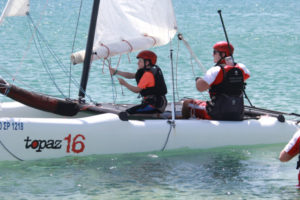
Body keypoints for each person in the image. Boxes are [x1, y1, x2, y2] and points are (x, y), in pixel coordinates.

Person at [182, 41, 250, 120]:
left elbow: (200, 88)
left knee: (187, 103)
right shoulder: (242, 68)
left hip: (216, 113)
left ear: (223, 54)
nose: (212, 55)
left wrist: (198, 79)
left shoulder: (215, 70)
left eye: (215, 52)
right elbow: (245, 76)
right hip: (237, 112)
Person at [109, 50, 167, 120]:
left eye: (140, 61)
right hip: (159, 103)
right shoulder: (151, 69)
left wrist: (124, 83)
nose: (138, 63)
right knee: (134, 110)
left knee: (127, 112)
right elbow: (131, 75)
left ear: (147, 62)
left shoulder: (148, 74)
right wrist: (116, 72)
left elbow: (137, 90)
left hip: (155, 105)